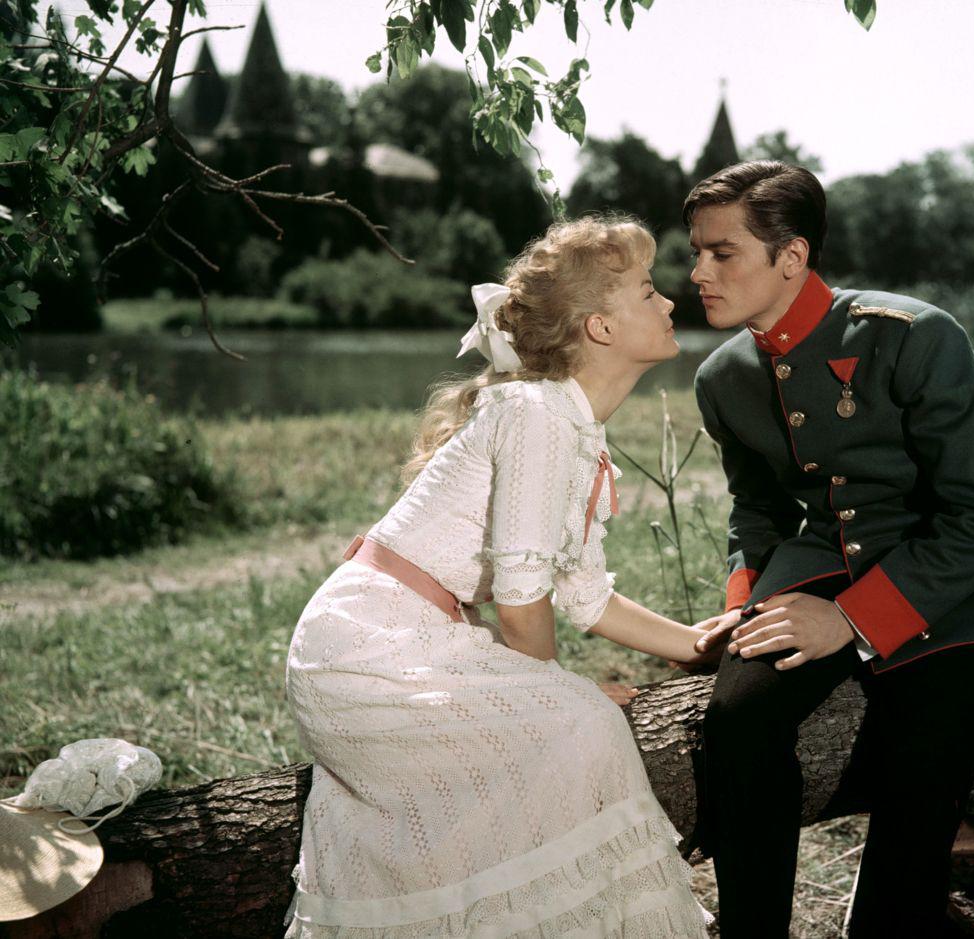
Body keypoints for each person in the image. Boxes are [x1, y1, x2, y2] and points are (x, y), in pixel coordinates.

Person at [283, 216, 717, 938]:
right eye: (649, 291)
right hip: (365, 649)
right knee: (588, 726)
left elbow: (583, 593)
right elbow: (520, 601)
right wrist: (549, 688)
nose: (671, 302)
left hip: (417, 640)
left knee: (580, 726)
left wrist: (697, 645)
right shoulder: (536, 410)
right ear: (600, 327)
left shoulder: (572, 425)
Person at [686, 162, 974, 938]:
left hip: (948, 589)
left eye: (721, 251)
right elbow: (758, 508)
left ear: (792, 257)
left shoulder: (913, 336)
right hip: (820, 562)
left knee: (913, 825)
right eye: (696, 251)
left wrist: (851, 621)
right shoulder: (723, 376)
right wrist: (745, 605)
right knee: (736, 721)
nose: (697, 270)